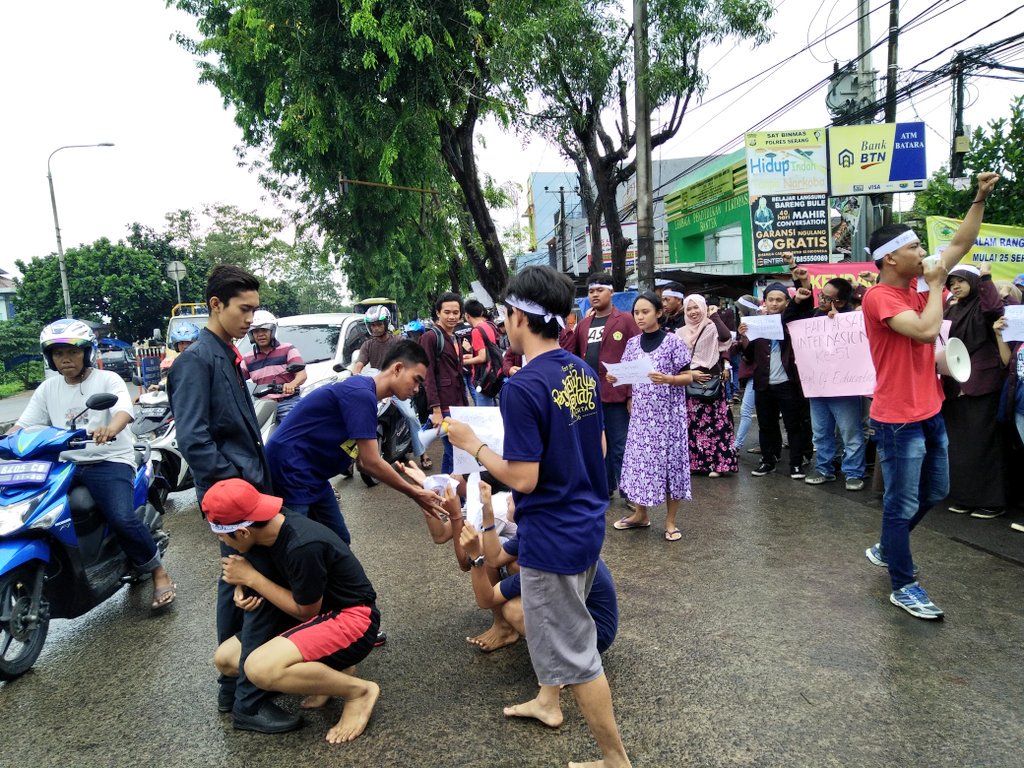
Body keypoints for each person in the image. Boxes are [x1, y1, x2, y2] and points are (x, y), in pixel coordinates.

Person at [446, 265, 632, 768]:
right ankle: (548, 702)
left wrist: (473, 444)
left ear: (517, 317)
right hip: (586, 521)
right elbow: (597, 445)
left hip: (551, 535)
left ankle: (615, 760)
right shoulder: (580, 370)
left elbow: (523, 479)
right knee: (557, 629)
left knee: (576, 654)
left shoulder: (523, 386)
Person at [861, 171, 1000, 620]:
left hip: (930, 409)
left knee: (935, 490)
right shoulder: (880, 297)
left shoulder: (916, 287)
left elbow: (961, 243)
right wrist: (938, 286)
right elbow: (924, 332)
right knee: (901, 503)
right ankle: (903, 584)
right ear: (890, 258)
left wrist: (979, 198)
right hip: (898, 419)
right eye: (915, 248)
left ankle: (889, 546)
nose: (923, 253)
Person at [167, 264, 284, 727]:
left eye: (255, 310)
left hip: (245, 489)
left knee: (239, 580)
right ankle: (244, 698)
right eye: (244, 309)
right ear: (216, 305)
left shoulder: (225, 353)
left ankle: (235, 685)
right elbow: (194, 439)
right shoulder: (196, 360)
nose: (251, 319)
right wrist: (237, 487)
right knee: (245, 584)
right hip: (233, 496)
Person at [12, 319, 176, 611]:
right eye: (58, 353)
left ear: (87, 353)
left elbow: (124, 411)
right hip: (66, 465)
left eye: (73, 352)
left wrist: (111, 428)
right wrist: (8, 440)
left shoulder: (107, 380)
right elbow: (23, 426)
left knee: (122, 518)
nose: (65, 359)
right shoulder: (48, 388)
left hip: (109, 460)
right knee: (32, 511)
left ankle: (158, 572)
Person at [205, 478, 381, 744]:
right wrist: (243, 584)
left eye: (221, 535)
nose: (220, 540)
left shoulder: (302, 545)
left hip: (353, 619)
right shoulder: (267, 525)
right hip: (320, 616)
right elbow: (263, 567)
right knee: (225, 659)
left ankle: (359, 692)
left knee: (258, 668)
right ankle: (335, 673)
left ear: (243, 533)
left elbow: (306, 612)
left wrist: (253, 579)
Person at [458, 481, 618, 729]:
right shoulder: (540, 530)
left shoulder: (542, 554)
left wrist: (474, 557)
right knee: (511, 567)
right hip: (587, 617)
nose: (508, 498)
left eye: (514, 497)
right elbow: (496, 558)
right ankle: (551, 692)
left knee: (513, 609)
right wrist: (488, 515)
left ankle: (564, 669)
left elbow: (486, 598)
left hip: (595, 633)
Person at [265, 340, 447, 544]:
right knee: (296, 545)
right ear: (397, 369)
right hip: (290, 471)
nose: (417, 389)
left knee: (339, 541)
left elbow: (363, 462)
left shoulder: (366, 396)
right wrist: (415, 493)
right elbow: (370, 462)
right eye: (416, 380)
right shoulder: (361, 395)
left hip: (314, 476)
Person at [608, 292, 700, 540]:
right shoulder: (632, 343)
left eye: (645, 312)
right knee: (641, 465)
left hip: (669, 418)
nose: (639, 317)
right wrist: (615, 377)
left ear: (659, 313)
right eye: (636, 312)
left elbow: (688, 377)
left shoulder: (673, 342)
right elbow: (627, 374)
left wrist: (669, 379)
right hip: (642, 417)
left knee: (671, 466)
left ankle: (670, 522)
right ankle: (641, 515)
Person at [784, 277, 867, 490]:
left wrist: (841, 322)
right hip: (818, 387)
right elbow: (788, 321)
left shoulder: (852, 319)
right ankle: (824, 469)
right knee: (821, 432)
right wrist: (798, 300)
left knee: (850, 432)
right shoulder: (814, 316)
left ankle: (854, 472)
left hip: (845, 388)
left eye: (827, 298)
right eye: (821, 295)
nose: (821, 300)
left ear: (840, 302)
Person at [941, 263, 1007, 518]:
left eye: (960, 281)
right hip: (953, 384)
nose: (955, 286)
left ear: (973, 280)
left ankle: (991, 501)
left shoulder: (984, 305)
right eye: (951, 283)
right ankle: (965, 497)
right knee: (959, 445)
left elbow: (994, 309)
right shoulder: (951, 309)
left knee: (983, 443)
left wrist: (986, 278)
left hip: (981, 385)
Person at [569, 272, 640, 506]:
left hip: (617, 394)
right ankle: (605, 487)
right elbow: (571, 353)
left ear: (611, 292)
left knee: (620, 446)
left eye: (600, 290)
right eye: (591, 291)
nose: (595, 295)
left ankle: (629, 493)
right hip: (588, 395)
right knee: (596, 445)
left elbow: (637, 356)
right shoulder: (584, 324)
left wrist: (631, 394)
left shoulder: (626, 320)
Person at [739, 282, 809, 479]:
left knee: (793, 425)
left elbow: (797, 311)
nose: (775, 303)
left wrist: (797, 300)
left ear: (786, 302)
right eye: (771, 300)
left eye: (779, 300)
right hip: (763, 383)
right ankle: (768, 460)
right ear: (765, 302)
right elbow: (749, 355)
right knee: (766, 425)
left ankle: (796, 463)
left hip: (788, 383)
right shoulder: (757, 324)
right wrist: (744, 336)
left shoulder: (791, 322)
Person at [352, 307, 430, 470]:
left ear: (386, 323)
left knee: (411, 416)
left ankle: (423, 453)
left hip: (397, 388)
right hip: (378, 387)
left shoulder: (398, 341)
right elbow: (358, 365)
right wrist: (355, 376)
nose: (375, 328)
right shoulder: (367, 345)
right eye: (372, 325)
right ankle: (350, 461)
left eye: (379, 324)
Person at [679, 295, 737, 477]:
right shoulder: (680, 332)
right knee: (693, 426)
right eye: (689, 309)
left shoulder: (711, 326)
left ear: (703, 308)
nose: (693, 312)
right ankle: (696, 464)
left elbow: (726, 337)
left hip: (711, 383)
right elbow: (677, 360)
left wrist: (715, 316)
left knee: (716, 425)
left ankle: (718, 466)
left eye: (696, 307)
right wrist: (689, 374)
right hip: (690, 382)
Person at [420, 292, 469, 474]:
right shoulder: (430, 337)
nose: (451, 316)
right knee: (456, 452)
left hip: (458, 403)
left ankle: (443, 488)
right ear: (438, 313)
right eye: (447, 312)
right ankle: (457, 490)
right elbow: (428, 374)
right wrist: (436, 410)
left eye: (455, 312)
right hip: (444, 405)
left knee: (452, 454)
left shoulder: (455, 337)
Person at [240, 310, 306, 422]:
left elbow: (302, 375)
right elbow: (236, 379)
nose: (260, 334)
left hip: (287, 403)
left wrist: (291, 384)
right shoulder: (247, 358)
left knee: (292, 429)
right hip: (261, 405)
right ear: (251, 334)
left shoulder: (287, 349)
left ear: (273, 330)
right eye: (256, 331)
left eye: (264, 330)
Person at [731, 295, 761, 453]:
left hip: (758, 374)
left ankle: (737, 445)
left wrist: (743, 338)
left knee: (746, 409)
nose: (739, 312)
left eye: (741, 309)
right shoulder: (744, 326)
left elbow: (750, 354)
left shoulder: (757, 326)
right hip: (754, 374)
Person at [462, 298, 502, 406]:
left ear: (467, 315)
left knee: (484, 411)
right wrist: (470, 355)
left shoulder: (476, 330)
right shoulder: (489, 325)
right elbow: (488, 351)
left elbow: (482, 357)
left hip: (484, 378)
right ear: (481, 312)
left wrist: (462, 362)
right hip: (494, 372)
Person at [149, 322, 201, 391]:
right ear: (176, 345)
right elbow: (173, 383)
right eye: (182, 343)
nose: (185, 346)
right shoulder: (173, 363)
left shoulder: (203, 362)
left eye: (188, 343)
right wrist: (160, 387)